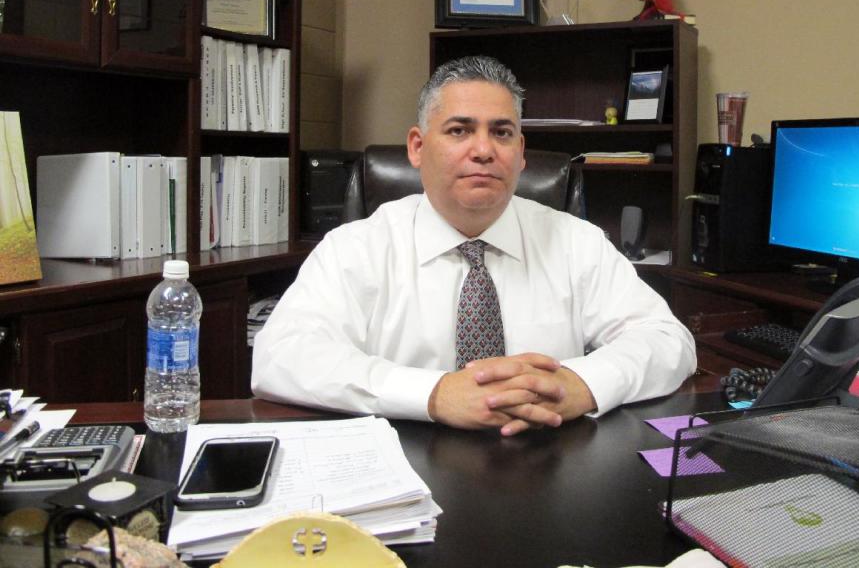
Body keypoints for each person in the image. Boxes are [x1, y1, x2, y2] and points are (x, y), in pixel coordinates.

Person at [252, 56, 696, 436]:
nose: (483, 150)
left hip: (551, 469)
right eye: (460, 130)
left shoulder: (577, 243)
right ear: (418, 147)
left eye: (501, 133)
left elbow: (668, 341)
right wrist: (434, 393)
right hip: (403, 469)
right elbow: (280, 356)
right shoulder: (356, 248)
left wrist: (580, 384)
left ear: (521, 153)